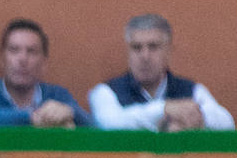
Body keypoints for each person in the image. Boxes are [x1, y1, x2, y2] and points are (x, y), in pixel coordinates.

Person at [88, 14, 234, 132]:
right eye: (137, 48)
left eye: (153, 47)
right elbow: (110, 124)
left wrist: (195, 117)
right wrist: (165, 109)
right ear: (128, 52)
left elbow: (227, 124)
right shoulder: (106, 92)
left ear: (168, 51)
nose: (145, 56)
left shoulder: (192, 90)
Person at [0, 19, 91, 128]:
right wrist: (30, 117)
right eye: (14, 50)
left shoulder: (56, 94)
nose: (23, 59)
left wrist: (70, 112)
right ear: (2, 59)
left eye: (31, 51)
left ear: (44, 62)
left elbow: (92, 125)